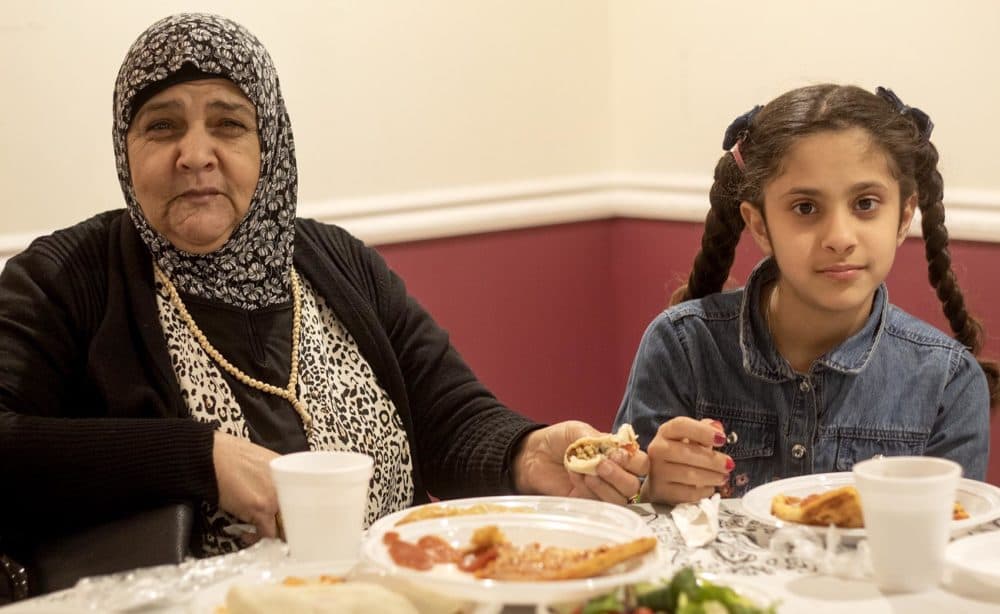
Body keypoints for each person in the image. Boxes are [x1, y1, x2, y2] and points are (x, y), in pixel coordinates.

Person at [0, 12, 646, 565]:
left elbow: (447, 418)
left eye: (227, 124)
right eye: (162, 126)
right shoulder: (67, 280)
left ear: (270, 145)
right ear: (126, 148)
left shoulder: (337, 263)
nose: (194, 153)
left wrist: (527, 451)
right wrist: (199, 458)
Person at [615, 84, 998, 505]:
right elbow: (622, 520)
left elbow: (947, 554)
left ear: (904, 216)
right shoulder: (682, 347)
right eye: (805, 208)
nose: (839, 237)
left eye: (866, 203)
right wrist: (651, 489)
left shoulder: (950, 382)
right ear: (759, 225)